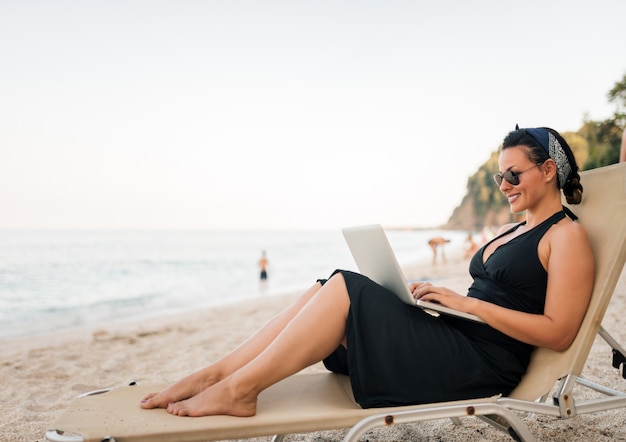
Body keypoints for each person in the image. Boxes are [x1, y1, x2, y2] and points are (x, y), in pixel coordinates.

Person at [140, 126, 594, 417]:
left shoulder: (565, 236)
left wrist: (464, 302)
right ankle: (216, 374)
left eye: (513, 175)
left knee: (345, 286)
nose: (504, 186)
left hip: (481, 362)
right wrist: (443, 300)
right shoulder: (515, 230)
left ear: (549, 170)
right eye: (499, 177)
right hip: (456, 336)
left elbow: (558, 333)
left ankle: (239, 390)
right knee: (326, 286)